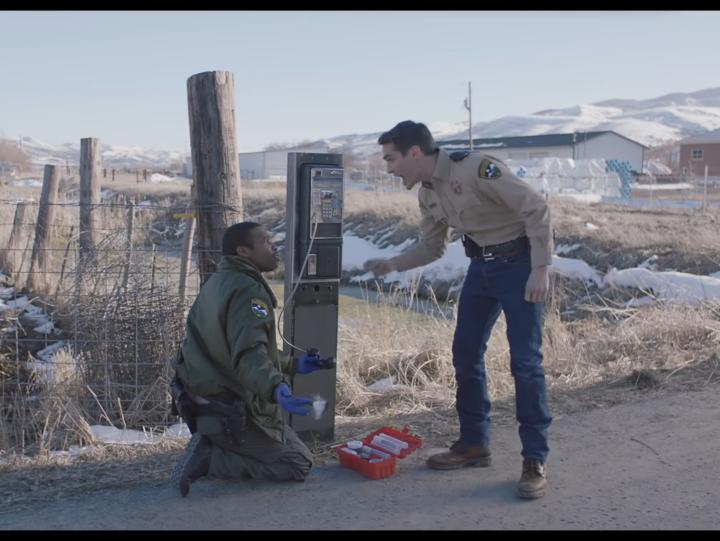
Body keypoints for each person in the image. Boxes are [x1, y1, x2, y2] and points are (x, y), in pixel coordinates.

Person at [363, 121, 553, 499]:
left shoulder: (476, 168)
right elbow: (432, 248)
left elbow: (535, 207)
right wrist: (394, 264)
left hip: (520, 267)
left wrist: (540, 269)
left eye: (391, 159)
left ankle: (534, 460)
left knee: (526, 364)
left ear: (415, 153)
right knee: (465, 354)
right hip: (481, 268)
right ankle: (473, 444)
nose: (388, 168)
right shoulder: (427, 194)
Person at [171, 221, 330, 497]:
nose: (274, 246)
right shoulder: (248, 291)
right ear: (243, 251)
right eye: (266, 241)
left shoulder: (217, 282)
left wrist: (293, 365)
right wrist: (275, 389)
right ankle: (212, 459)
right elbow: (248, 356)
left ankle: (215, 445)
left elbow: (240, 348)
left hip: (205, 403)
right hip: (230, 412)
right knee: (298, 463)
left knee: (286, 443)